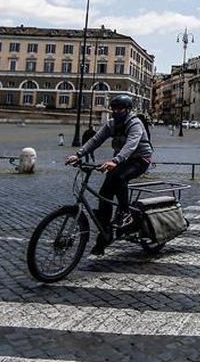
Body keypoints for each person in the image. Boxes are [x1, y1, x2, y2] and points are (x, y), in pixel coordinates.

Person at [65, 95, 154, 256]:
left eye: (120, 109)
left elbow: (131, 144)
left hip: (140, 160)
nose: (116, 112)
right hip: (121, 160)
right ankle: (104, 236)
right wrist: (79, 154)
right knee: (104, 194)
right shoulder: (112, 124)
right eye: (114, 109)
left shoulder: (134, 123)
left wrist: (115, 160)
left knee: (120, 177)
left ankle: (125, 213)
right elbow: (96, 140)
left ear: (127, 110)